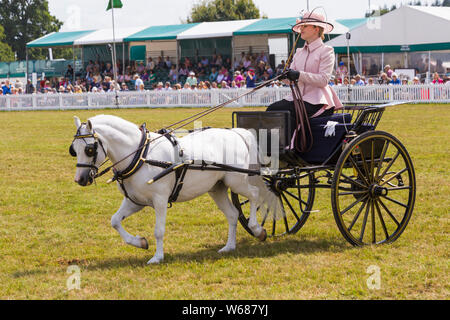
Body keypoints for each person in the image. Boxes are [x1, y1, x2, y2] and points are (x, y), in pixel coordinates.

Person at [266, 10, 342, 129]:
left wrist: (298, 75)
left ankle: (289, 146)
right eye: (301, 25)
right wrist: (284, 77)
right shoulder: (299, 52)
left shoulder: (326, 51)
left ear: (317, 29)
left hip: (318, 102)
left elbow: (323, 80)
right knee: (271, 109)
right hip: (298, 99)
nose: (301, 28)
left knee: (283, 112)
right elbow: (292, 79)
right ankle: (281, 145)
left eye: (305, 26)